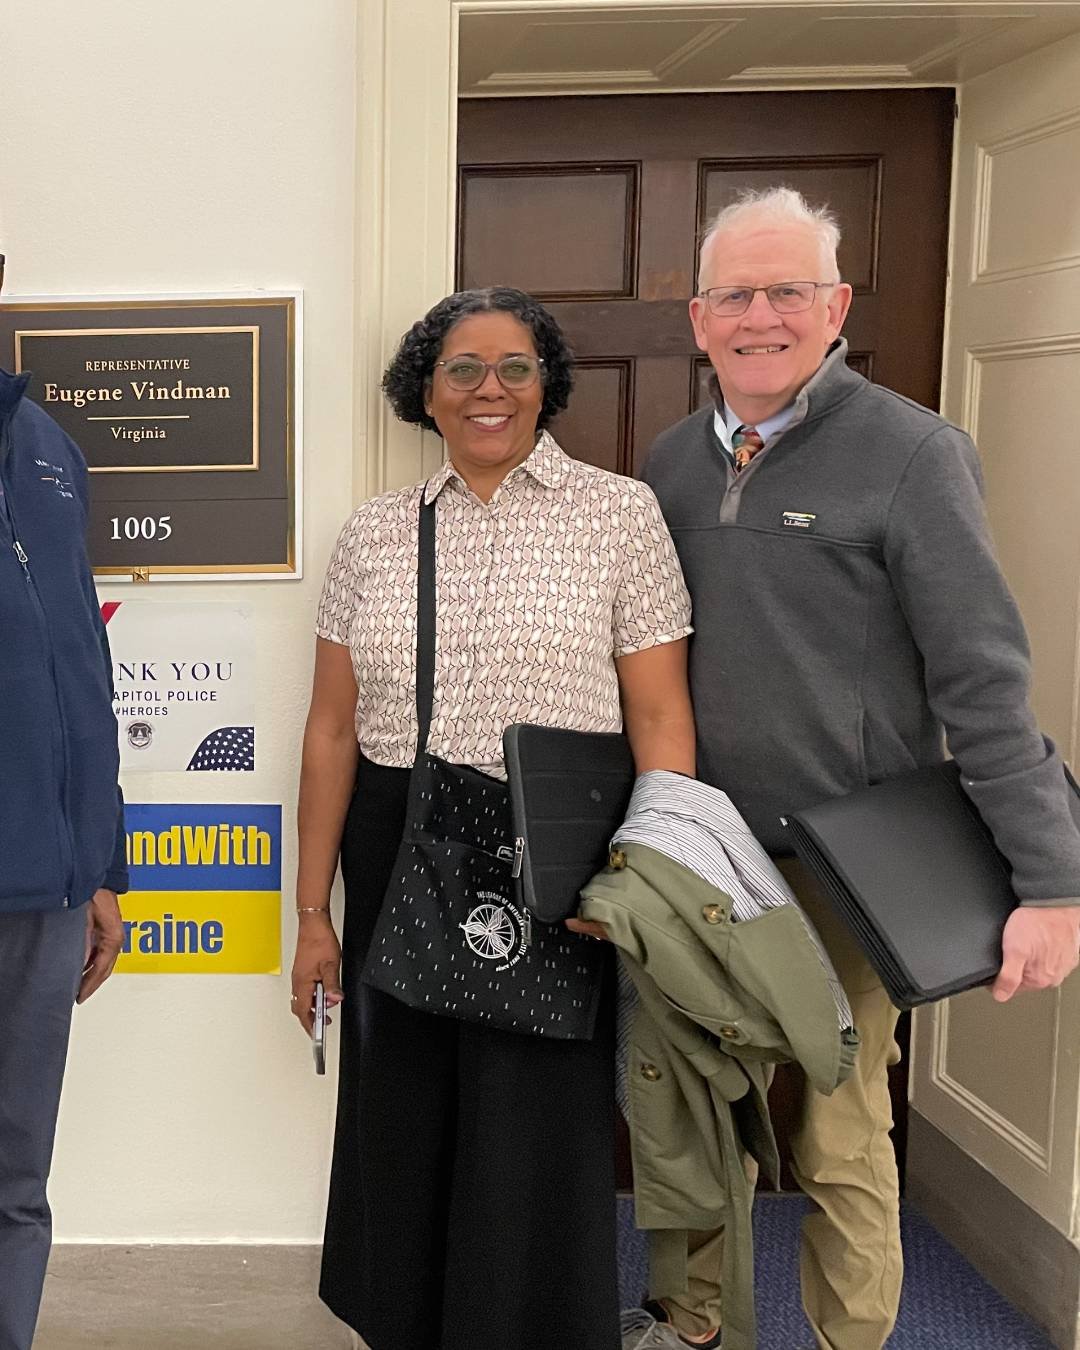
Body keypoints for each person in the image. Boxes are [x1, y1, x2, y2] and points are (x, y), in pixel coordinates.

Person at [640, 186, 1080, 1350]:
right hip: (699, 866)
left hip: (847, 872)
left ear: (835, 307)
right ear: (699, 318)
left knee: (837, 1134)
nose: (761, 317)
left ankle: (851, 1340)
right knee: (693, 1123)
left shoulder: (915, 455)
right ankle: (693, 1324)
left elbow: (982, 683)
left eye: (788, 291)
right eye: (737, 295)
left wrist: (1053, 883)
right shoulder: (670, 463)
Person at [290, 285, 695, 1350]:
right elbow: (332, 730)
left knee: (535, 1118)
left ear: (546, 385)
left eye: (516, 367)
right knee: (403, 1110)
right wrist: (313, 914)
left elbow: (660, 716)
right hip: (399, 835)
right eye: (462, 368)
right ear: (424, 391)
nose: (490, 389)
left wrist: (645, 875)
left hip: (556, 846)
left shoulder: (619, 515)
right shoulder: (377, 533)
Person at [0, 258, 128, 1350]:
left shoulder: (46, 446)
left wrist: (102, 868)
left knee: (15, 1177)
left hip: (45, 892)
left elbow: (84, 666)